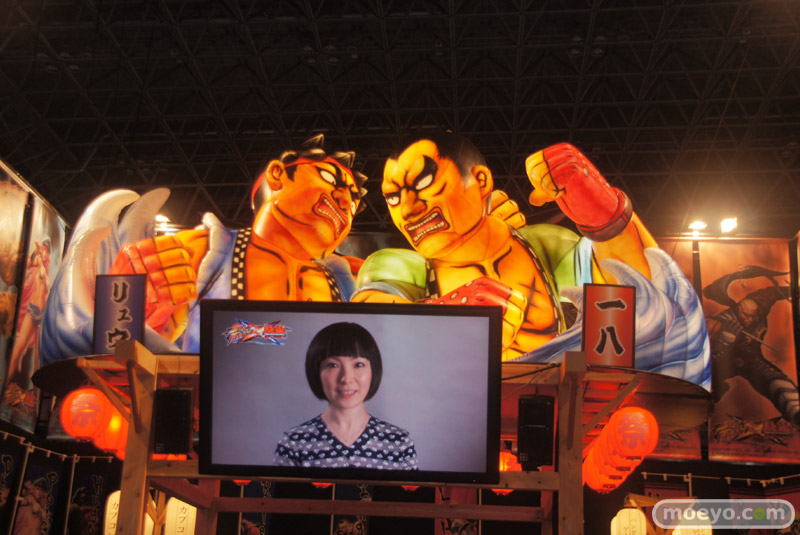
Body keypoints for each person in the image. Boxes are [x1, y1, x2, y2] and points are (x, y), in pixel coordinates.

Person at [352, 131, 708, 377]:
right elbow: (362, 335)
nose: (407, 209)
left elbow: (641, 305)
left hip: (562, 421)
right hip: (455, 419)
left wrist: (606, 219)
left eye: (423, 183)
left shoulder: (547, 247)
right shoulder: (397, 265)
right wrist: (447, 319)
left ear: (481, 181)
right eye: (393, 197)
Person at [273, 322, 418, 470]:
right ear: (316, 372)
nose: (346, 379)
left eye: (358, 365)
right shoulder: (293, 443)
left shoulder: (400, 443)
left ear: (373, 370)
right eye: (333, 365)